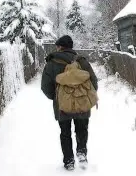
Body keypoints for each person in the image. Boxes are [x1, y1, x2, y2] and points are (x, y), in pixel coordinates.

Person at [41, 35, 98, 171]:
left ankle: (69, 161)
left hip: (62, 106)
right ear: (71, 47)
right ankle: (82, 153)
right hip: (82, 103)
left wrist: (55, 97)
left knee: (65, 133)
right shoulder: (82, 61)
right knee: (82, 129)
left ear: (60, 47)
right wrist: (84, 96)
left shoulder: (52, 62)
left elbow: (45, 86)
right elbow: (94, 82)